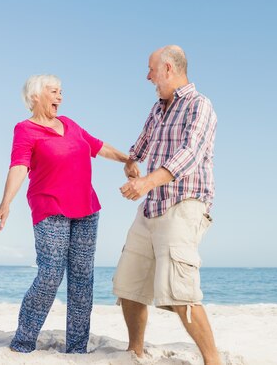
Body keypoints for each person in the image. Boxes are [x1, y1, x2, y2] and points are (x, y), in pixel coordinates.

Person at [0, 74, 135, 354]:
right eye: (54, 91)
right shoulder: (25, 129)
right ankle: (23, 342)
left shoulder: (70, 124)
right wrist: (4, 204)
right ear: (35, 96)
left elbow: (98, 146)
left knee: (82, 279)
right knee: (50, 274)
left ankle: (77, 348)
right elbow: (19, 165)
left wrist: (126, 160)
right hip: (50, 207)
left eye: (61, 92)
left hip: (86, 209)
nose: (60, 96)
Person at [114, 45, 222, 365]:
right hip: (152, 206)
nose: (147, 76)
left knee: (180, 292)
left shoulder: (200, 106)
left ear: (169, 69)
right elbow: (141, 146)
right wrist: (131, 162)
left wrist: (145, 182)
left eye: (151, 70)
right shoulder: (157, 108)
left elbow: (188, 154)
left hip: (185, 203)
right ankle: (135, 351)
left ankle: (213, 360)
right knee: (129, 283)